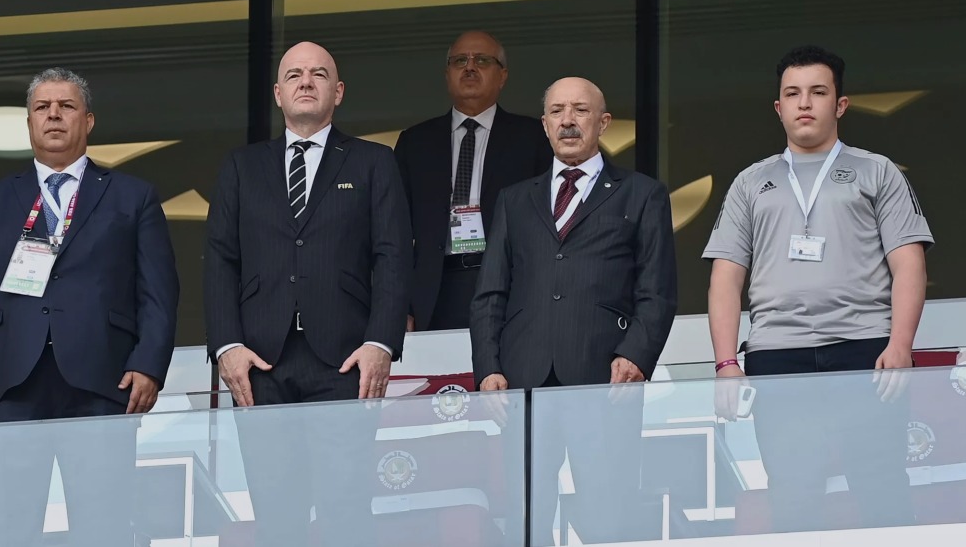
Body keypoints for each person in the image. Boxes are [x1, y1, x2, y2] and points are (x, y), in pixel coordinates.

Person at [0, 68, 179, 546]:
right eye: (42, 107)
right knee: (10, 529)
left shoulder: (133, 197)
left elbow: (159, 291)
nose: (54, 115)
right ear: (29, 124)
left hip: (102, 383)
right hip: (8, 388)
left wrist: (149, 366)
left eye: (66, 106)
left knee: (103, 528)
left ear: (88, 121)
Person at [705, 45, 932, 533]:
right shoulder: (750, 182)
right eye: (793, 93)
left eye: (818, 92)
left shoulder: (878, 171)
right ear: (778, 108)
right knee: (793, 494)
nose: (804, 102)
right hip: (776, 354)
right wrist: (726, 363)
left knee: (881, 488)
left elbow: (908, 263)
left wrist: (900, 344)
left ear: (840, 104)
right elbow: (726, 275)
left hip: (866, 351)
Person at [204, 41, 411, 546]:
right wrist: (227, 346)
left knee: (347, 512)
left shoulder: (372, 162)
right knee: (276, 515)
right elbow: (219, 261)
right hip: (260, 363)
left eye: (318, 74)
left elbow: (393, 257)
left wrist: (381, 344)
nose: (305, 81)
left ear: (337, 92)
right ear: (277, 93)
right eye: (294, 74)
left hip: (345, 361)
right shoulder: (241, 166)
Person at [471, 77, 677, 544]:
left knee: (608, 515)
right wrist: (487, 368)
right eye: (557, 111)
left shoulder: (641, 194)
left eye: (580, 111)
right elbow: (490, 293)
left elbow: (657, 289)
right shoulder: (515, 199)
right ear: (544, 125)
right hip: (524, 380)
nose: (568, 120)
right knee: (525, 518)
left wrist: (638, 356)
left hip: (606, 379)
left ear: (603, 122)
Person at [395, 31, 551, 331]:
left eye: (482, 60)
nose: (469, 67)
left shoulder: (532, 139)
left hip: (510, 286)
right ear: (447, 74)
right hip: (435, 288)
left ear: (502, 75)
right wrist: (403, 305)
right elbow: (395, 232)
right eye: (459, 61)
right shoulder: (415, 142)